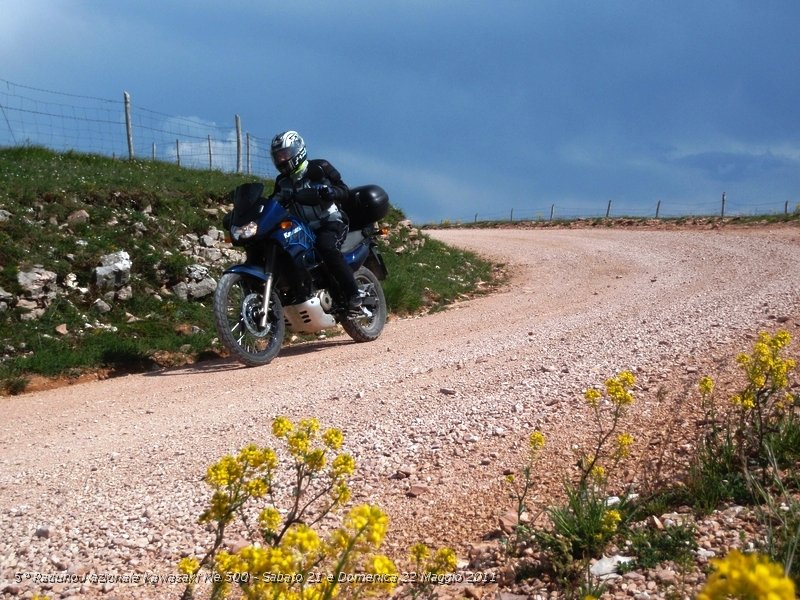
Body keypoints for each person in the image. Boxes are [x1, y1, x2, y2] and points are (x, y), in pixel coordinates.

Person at [269, 130, 364, 309]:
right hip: (304, 229)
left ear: (298, 151)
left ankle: (354, 293)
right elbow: (273, 201)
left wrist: (330, 192)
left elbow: (344, 189)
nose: (281, 160)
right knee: (286, 251)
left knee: (326, 247)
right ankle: (300, 292)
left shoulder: (320, 167)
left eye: (284, 154)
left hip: (331, 221)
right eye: (278, 156)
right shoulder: (282, 182)